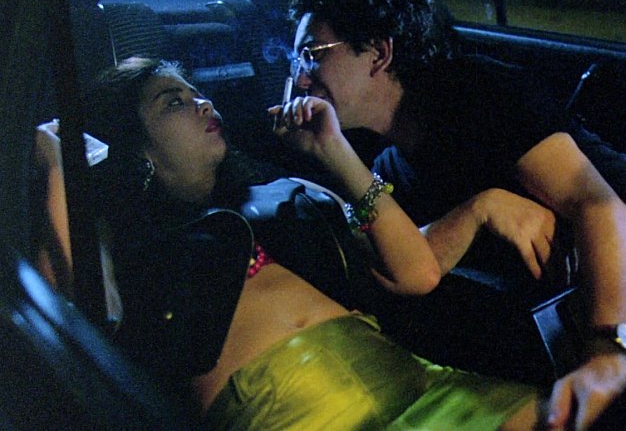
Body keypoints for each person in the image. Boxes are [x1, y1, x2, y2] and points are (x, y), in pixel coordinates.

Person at [286, 0, 626, 429]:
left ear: (378, 53)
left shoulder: (472, 91)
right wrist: (477, 207)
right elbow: (414, 269)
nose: (299, 77)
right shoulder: (389, 169)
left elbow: (600, 207)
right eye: (295, 59)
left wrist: (606, 353)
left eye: (312, 53)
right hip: (620, 298)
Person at [82, 57, 549, 430]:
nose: (203, 104)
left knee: (565, 413)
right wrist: (57, 168)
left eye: (195, 93)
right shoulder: (121, 236)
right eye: (173, 103)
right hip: (289, 408)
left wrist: (335, 150)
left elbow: (416, 271)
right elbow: (89, 322)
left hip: (402, 374)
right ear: (133, 146)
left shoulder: (284, 191)